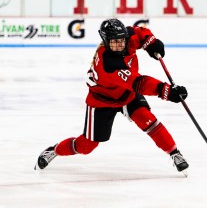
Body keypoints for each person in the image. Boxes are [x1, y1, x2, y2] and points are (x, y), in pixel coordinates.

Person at [35, 18, 189, 174]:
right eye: (114, 42)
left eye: (121, 40)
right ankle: (54, 150)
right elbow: (138, 83)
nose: (119, 45)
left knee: (148, 120)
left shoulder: (127, 37)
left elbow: (140, 32)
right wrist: (167, 91)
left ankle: (174, 153)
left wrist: (151, 42)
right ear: (105, 41)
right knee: (86, 146)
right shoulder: (107, 63)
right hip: (102, 101)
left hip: (126, 94)